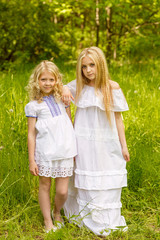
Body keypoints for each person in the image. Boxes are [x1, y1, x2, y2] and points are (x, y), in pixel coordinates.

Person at [62, 47, 130, 236]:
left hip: (106, 141)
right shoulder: (79, 86)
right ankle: (85, 216)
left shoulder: (112, 87)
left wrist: (124, 146)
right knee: (86, 175)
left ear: (100, 64)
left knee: (106, 175)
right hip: (83, 141)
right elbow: (60, 88)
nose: (88, 70)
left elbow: (118, 120)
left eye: (92, 65)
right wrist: (65, 88)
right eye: (84, 67)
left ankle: (105, 218)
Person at [25, 60, 77, 233]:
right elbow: (31, 134)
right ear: (37, 81)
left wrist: (66, 89)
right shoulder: (33, 106)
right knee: (45, 185)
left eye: (51, 80)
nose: (47, 83)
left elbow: (68, 123)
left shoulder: (63, 99)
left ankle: (57, 212)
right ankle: (48, 221)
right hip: (45, 152)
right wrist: (32, 160)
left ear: (57, 80)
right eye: (43, 79)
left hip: (65, 150)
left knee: (62, 191)